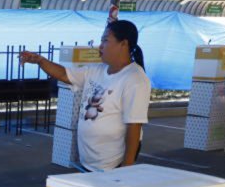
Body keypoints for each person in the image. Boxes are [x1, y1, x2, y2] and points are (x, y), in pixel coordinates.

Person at [20, 20, 150, 172]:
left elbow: (134, 126)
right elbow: (64, 74)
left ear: (124, 44)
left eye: (105, 40)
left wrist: (126, 169)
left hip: (113, 165)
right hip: (89, 161)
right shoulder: (96, 70)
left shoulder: (135, 79)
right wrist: (40, 61)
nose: (100, 46)